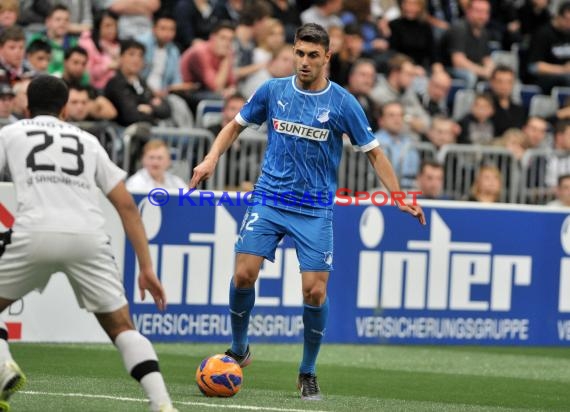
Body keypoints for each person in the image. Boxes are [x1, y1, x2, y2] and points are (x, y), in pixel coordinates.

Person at [190, 23, 425, 401]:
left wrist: (397, 196)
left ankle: (308, 371)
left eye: (312, 55)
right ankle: (239, 349)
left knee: (314, 292)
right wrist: (210, 159)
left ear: (327, 57)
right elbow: (233, 127)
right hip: (269, 198)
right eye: (299, 53)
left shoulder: (343, 102)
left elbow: (375, 153)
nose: (304, 61)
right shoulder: (273, 90)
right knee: (243, 274)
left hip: (314, 209)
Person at [0, 75, 178, 412]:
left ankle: (3, 368)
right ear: (65, 110)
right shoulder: (88, 141)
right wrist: (146, 267)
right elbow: (127, 206)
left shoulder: (10, 133)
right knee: (122, 327)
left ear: (26, 108)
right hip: (89, 238)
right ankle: (162, 404)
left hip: (34, 231)